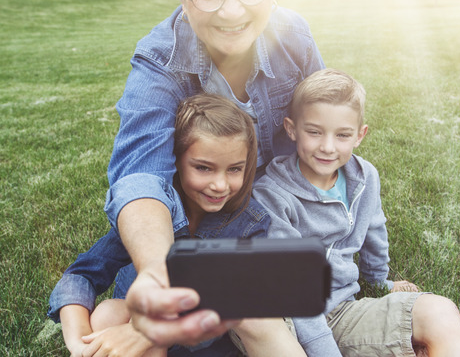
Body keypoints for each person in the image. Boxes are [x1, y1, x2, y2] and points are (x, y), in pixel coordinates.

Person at [103, 0, 325, 347]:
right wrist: (158, 272)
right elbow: (139, 176)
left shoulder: (294, 36)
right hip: (199, 231)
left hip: (277, 223)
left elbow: (324, 137)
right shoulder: (159, 60)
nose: (232, 10)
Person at [49, 94, 306, 357]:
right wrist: (80, 341)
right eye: (204, 168)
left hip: (213, 347)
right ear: (176, 162)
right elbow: (81, 275)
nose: (220, 185)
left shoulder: (249, 223)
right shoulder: (149, 219)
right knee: (108, 313)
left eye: (234, 169)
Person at [252, 69, 460, 357]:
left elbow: (374, 229)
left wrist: (379, 280)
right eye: (314, 132)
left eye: (342, 135)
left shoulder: (364, 177)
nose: (327, 147)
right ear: (292, 129)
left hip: (341, 310)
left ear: (360, 135)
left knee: (440, 312)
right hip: (287, 323)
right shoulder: (273, 196)